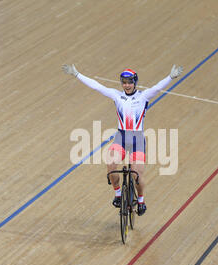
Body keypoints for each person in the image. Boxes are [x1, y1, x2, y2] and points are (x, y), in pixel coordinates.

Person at [62, 64, 183, 215]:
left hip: (137, 139)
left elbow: (158, 88)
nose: (127, 85)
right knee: (111, 164)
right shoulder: (116, 95)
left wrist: (170, 77)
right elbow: (97, 87)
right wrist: (77, 74)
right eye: (124, 83)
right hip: (121, 136)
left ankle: (141, 200)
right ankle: (118, 194)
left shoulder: (143, 96)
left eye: (129, 82)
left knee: (136, 174)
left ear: (135, 82)